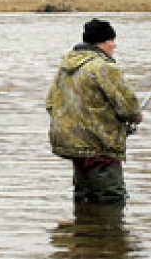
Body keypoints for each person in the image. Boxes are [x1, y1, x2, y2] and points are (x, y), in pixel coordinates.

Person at [46, 18, 143, 203]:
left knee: (84, 199)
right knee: (111, 201)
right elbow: (128, 108)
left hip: (73, 147)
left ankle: (84, 230)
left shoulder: (65, 67)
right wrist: (136, 117)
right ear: (101, 43)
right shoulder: (104, 67)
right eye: (111, 40)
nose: (114, 45)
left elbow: (50, 103)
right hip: (101, 147)